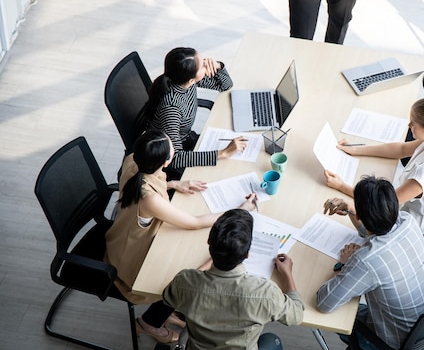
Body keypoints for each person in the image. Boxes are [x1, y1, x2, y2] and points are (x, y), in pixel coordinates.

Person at [104, 130, 256, 344]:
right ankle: (149, 323)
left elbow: (143, 184)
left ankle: (165, 313)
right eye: (171, 147)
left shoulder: (132, 160)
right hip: (133, 260)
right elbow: (193, 223)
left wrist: (173, 184)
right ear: (165, 162)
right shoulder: (150, 199)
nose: (174, 146)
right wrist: (239, 211)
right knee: (194, 271)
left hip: (121, 238)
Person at [324, 96, 424, 259]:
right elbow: (400, 149)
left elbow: (382, 206)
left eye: (413, 123)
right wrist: (355, 150)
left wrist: (342, 187)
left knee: (367, 229)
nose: (409, 125)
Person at [317, 176, 424, 349]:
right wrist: (350, 210)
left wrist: (343, 264)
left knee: (342, 317)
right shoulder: (407, 222)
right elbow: (378, 231)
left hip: (397, 343)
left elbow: (324, 303)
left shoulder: (365, 260)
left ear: (360, 215)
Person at [162, 209, 304, 350]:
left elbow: (168, 298)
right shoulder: (265, 293)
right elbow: (296, 316)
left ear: (209, 244)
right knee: (272, 340)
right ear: (247, 254)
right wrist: (287, 275)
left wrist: (204, 267)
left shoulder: (184, 281)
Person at [144, 46, 247, 180]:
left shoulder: (185, 81)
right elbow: (175, 158)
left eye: (203, 59)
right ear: (192, 79)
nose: (206, 63)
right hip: (172, 160)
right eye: (203, 65)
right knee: (224, 171)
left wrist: (218, 65)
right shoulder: (171, 108)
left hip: (187, 140)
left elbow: (225, 85)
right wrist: (223, 153)